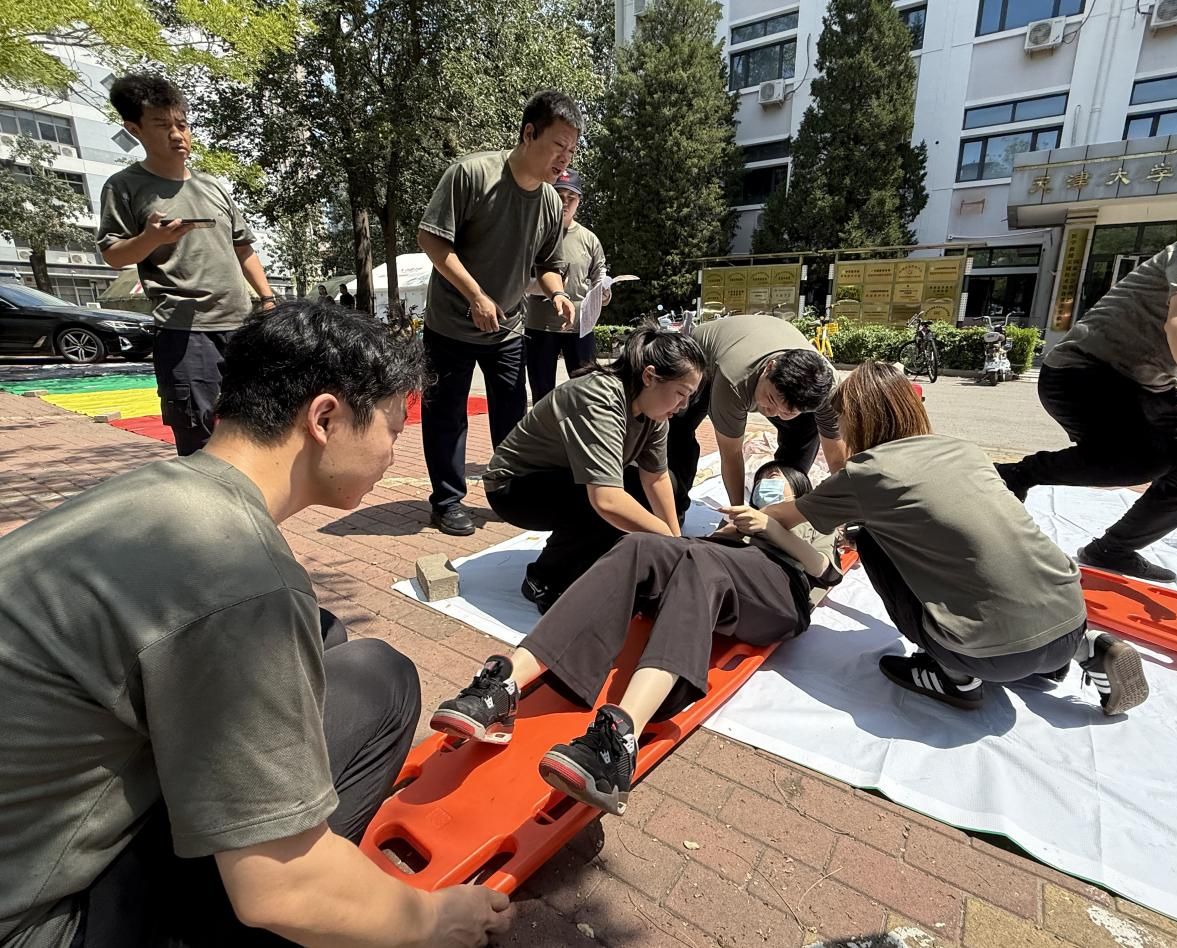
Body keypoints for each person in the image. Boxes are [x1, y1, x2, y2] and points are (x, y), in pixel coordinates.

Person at [0, 302, 512, 948]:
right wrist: (432, 920)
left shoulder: (153, 493)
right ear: (324, 419)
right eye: (392, 427)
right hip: (45, 922)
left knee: (323, 636)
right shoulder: (241, 576)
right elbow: (282, 889)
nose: (393, 451)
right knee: (383, 679)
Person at [429, 461, 845, 815]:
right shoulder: (736, 522)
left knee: (699, 561)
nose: (765, 485)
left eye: (777, 480)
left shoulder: (809, 514)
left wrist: (772, 527)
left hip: (779, 586)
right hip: (717, 563)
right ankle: (505, 687)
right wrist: (730, 531)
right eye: (762, 479)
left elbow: (826, 571)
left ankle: (619, 744)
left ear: (798, 489)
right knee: (638, 545)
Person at [762, 361, 1149, 715]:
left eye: (842, 420)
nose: (840, 430)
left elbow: (783, 515)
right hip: (1070, 620)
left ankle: (954, 678)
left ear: (859, 420)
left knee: (868, 538)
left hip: (986, 654)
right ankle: (1087, 650)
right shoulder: (965, 450)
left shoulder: (865, 473)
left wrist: (749, 516)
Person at [998, 217, 1177, 582]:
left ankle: (1112, 550)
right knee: (1140, 459)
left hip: (1153, 384)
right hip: (1084, 369)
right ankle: (1014, 474)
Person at [417, 90, 581, 537]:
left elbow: (548, 264)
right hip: (450, 324)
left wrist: (558, 294)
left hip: (507, 327)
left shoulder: (550, 203)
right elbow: (432, 239)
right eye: (558, 145)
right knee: (447, 415)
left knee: (512, 416)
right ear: (529, 133)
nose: (564, 159)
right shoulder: (472, 174)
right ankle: (446, 501)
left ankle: (512, 495)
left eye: (571, 150)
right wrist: (475, 295)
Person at [97, 73, 276, 457]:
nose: (177, 135)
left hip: (240, 327)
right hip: (185, 333)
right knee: (199, 436)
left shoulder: (213, 186)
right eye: (163, 125)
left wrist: (267, 299)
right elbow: (113, 255)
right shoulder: (124, 187)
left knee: (255, 428)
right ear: (134, 129)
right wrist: (150, 238)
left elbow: (243, 248)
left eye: (182, 124)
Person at [483, 325, 705, 613]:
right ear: (650, 376)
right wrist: (667, 541)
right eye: (681, 393)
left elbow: (656, 478)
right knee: (604, 503)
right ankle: (544, 577)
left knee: (647, 490)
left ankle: (588, 562)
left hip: (565, 479)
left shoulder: (655, 413)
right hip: (514, 487)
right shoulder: (599, 397)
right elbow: (606, 500)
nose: (684, 406)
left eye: (690, 396)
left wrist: (677, 543)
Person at [669, 314, 846, 518]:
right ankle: (674, 505)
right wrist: (739, 514)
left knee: (805, 434)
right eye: (770, 399)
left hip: (767, 345)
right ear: (769, 368)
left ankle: (780, 509)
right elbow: (731, 455)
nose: (772, 413)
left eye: (787, 412)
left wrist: (845, 510)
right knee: (678, 435)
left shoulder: (829, 392)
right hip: (705, 360)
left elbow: (837, 458)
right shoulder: (734, 381)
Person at [523, 168, 608, 401]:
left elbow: (599, 273)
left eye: (571, 197)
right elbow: (518, 280)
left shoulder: (589, 239)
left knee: (585, 390)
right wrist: (550, 289)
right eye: (559, 195)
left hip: (580, 325)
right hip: (541, 325)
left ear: (579, 201)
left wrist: (603, 292)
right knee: (542, 392)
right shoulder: (535, 234)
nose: (564, 202)